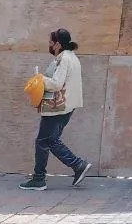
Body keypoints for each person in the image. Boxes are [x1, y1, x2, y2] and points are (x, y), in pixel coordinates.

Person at [19, 29, 91, 191]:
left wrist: (40, 79)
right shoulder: (71, 57)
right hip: (65, 106)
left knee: (44, 141)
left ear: (58, 44)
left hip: (57, 106)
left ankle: (72, 167)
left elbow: (56, 84)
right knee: (49, 141)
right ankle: (43, 177)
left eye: (51, 43)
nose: (50, 46)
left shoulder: (64, 59)